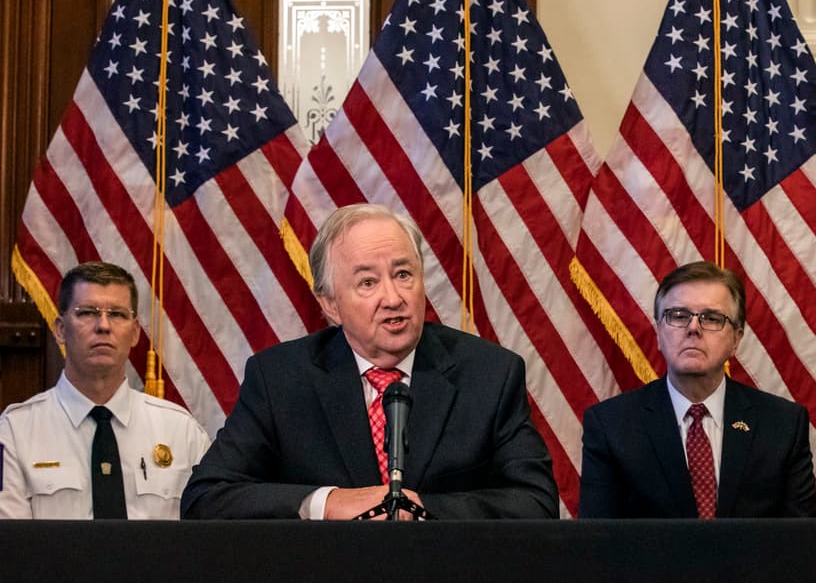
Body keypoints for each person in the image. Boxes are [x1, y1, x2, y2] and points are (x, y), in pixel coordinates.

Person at [180, 204, 557, 520]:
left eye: (403, 274)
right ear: (330, 304)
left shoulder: (489, 374)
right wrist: (326, 502)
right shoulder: (280, 378)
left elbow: (535, 503)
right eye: (367, 283)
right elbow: (207, 497)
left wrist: (424, 508)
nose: (393, 298)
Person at [579, 261, 816, 519]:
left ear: (736, 339)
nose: (693, 328)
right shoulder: (611, 426)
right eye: (679, 316)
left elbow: (802, 545)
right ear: (659, 332)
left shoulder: (782, 425)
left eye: (712, 318)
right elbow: (597, 544)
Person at [0, 262, 210, 519]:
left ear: (134, 333)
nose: (103, 326)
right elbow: (12, 547)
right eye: (87, 312)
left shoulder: (181, 432)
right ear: (61, 329)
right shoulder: (14, 433)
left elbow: (204, 538)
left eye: (117, 314)